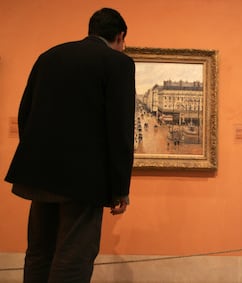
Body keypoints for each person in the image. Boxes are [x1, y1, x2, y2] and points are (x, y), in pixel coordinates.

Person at [4, 8, 135, 282]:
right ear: (120, 36)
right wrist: (120, 189)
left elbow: (25, 112)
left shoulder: (49, 56)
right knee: (74, 255)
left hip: (39, 173)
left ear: (92, 30)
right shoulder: (118, 63)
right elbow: (120, 128)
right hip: (84, 180)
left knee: (39, 251)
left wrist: (37, 156)